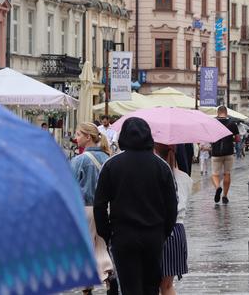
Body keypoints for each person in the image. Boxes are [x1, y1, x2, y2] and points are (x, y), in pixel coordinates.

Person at [94, 117, 178, 295]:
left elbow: (99, 205)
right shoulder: (161, 166)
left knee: (130, 287)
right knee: (151, 286)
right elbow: (172, 205)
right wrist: (163, 231)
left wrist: (107, 233)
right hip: (153, 234)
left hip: (123, 235)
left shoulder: (111, 165)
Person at [70, 123, 117, 295]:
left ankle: (87, 288)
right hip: (106, 209)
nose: (76, 138)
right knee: (103, 245)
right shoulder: (109, 158)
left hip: (86, 209)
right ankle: (108, 273)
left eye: (78, 134)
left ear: (88, 137)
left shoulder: (79, 160)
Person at [154, 143, 192, 295]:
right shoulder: (185, 178)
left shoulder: (155, 175)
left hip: (158, 229)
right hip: (177, 231)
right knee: (168, 286)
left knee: (151, 284)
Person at [210, 106, 240, 205]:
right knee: (227, 173)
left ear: (218, 113)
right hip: (229, 152)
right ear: (226, 113)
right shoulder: (232, 123)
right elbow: (238, 139)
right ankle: (225, 196)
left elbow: (209, 137)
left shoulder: (213, 123)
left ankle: (218, 187)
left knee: (215, 174)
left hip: (216, 152)